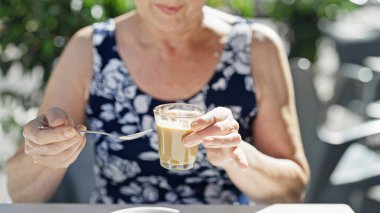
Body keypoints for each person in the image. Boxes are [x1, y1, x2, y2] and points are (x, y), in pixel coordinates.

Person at [5, 1, 310, 204]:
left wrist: (236, 155)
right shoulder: (90, 47)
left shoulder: (256, 46)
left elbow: (293, 189)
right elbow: (20, 193)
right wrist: (46, 152)